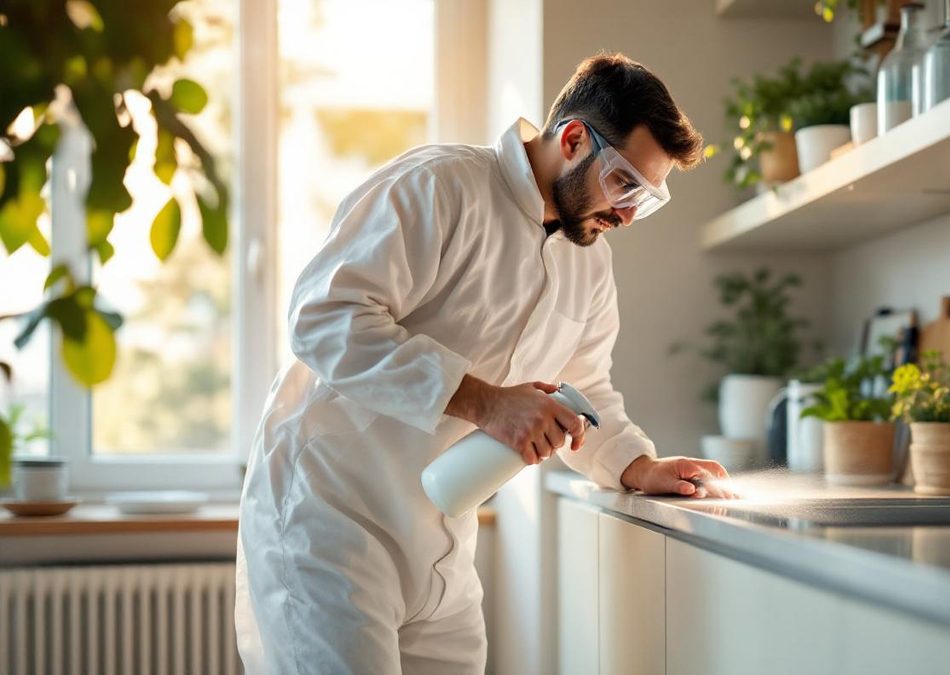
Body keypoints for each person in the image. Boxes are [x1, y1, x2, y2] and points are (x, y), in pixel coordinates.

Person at [235, 52, 734, 674]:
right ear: (574, 139)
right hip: (330, 521)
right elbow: (324, 317)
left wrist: (638, 465)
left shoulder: (590, 263)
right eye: (625, 183)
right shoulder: (441, 186)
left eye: (646, 198)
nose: (629, 213)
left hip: (442, 544)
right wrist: (488, 403)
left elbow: (585, 391)